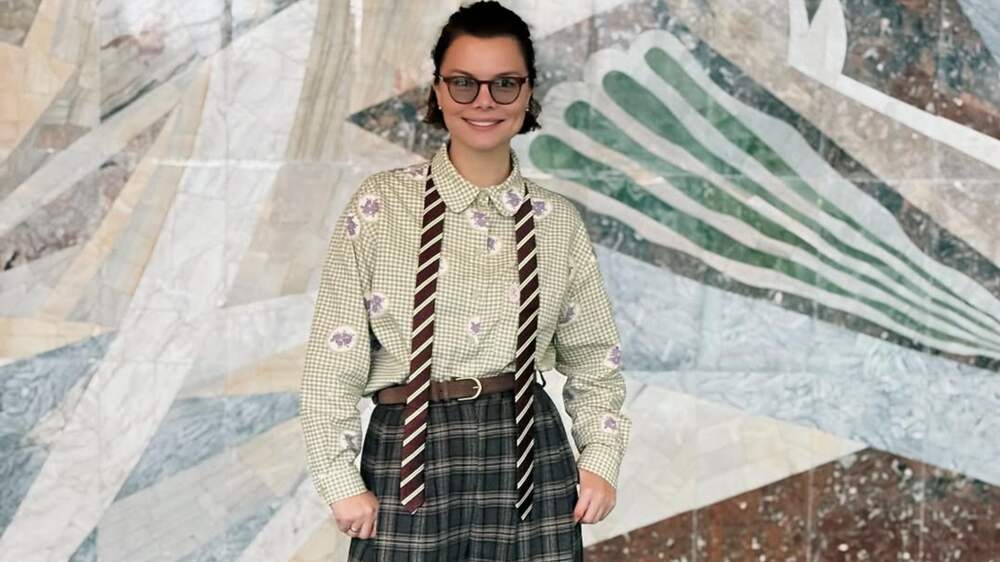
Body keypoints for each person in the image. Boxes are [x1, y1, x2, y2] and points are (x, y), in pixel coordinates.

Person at [298, 2, 632, 560]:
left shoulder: (557, 221)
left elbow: (595, 357)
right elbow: (333, 359)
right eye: (463, 83)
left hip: (528, 452)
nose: (484, 101)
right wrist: (339, 478)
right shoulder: (380, 205)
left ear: (527, 92)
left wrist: (600, 457)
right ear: (438, 90)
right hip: (407, 449)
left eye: (504, 83)